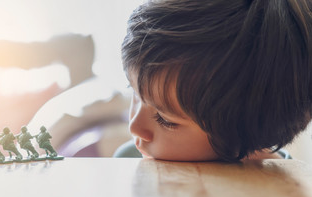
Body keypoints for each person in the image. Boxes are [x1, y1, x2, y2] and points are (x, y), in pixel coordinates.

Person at [114, 0, 312, 162]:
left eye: (165, 119)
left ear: (243, 137)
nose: (134, 126)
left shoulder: (289, 194)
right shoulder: (128, 160)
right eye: (135, 92)